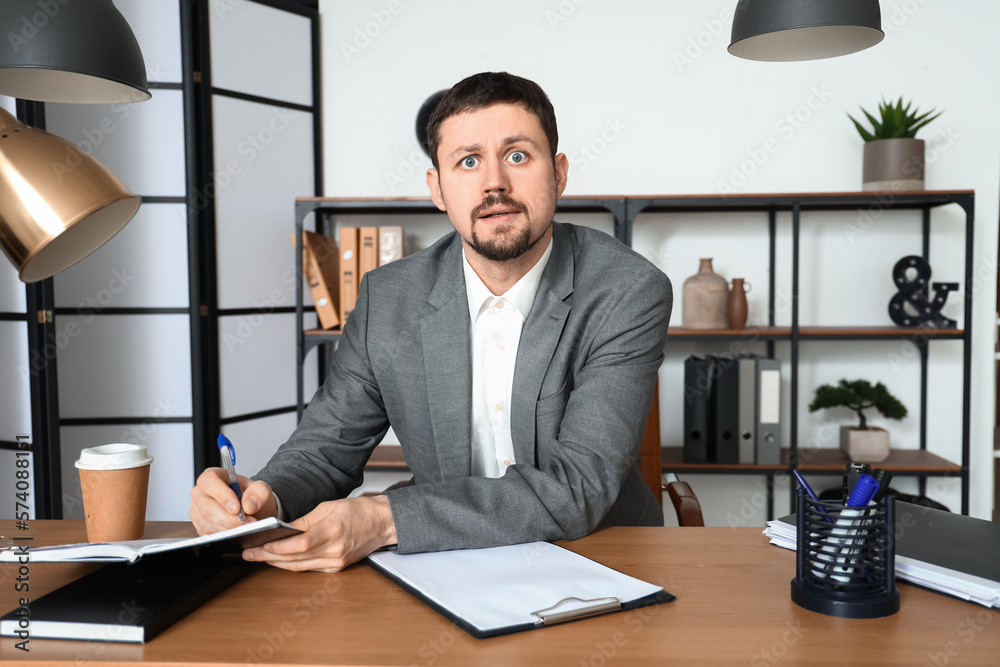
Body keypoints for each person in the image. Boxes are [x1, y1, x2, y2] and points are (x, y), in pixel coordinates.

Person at [190, 71, 672, 572]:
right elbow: (324, 452)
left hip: (602, 557)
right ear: (437, 189)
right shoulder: (388, 298)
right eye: (468, 161)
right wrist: (264, 499)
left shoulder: (627, 290)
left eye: (517, 156)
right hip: (446, 560)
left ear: (559, 173)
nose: (494, 183)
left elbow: (579, 487)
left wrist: (382, 517)